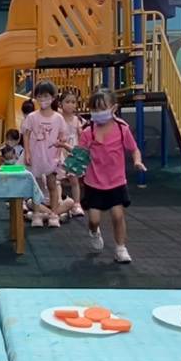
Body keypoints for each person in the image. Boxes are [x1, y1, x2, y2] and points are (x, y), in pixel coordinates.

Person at [77, 88, 146, 264]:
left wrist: (137, 161)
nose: (98, 113)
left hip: (116, 181)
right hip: (94, 182)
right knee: (94, 219)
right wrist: (72, 166)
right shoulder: (88, 132)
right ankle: (94, 232)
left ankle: (120, 247)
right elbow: (79, 154)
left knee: (117, 215)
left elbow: (134, 149)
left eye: (103, 108)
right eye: (95, 109)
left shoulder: (122, 128)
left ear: (114, 108)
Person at [22, 80, 67, 227]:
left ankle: (54, 214)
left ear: (53, 97)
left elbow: (62, 137)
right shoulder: (32, 117)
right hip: (36, 155)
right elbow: (26, 134)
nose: (43, 99)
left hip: (51, 156)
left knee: (52, 185)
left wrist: (58, 155)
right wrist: (27, 152)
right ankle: (36, 214)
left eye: (46, 96)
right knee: (36, 186)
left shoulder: (58, 117)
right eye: (40, 96)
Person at [55, 89, 85, 217]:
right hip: (60, 152)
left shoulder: (77, 120)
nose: (70, 105)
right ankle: (58, 203)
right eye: (67, 102)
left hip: (73, 152)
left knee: (74, 179)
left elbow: (81, 136)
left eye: (73, 102)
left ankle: (77, 204)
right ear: (60, 104)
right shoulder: (58, 118)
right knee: (58, 179)